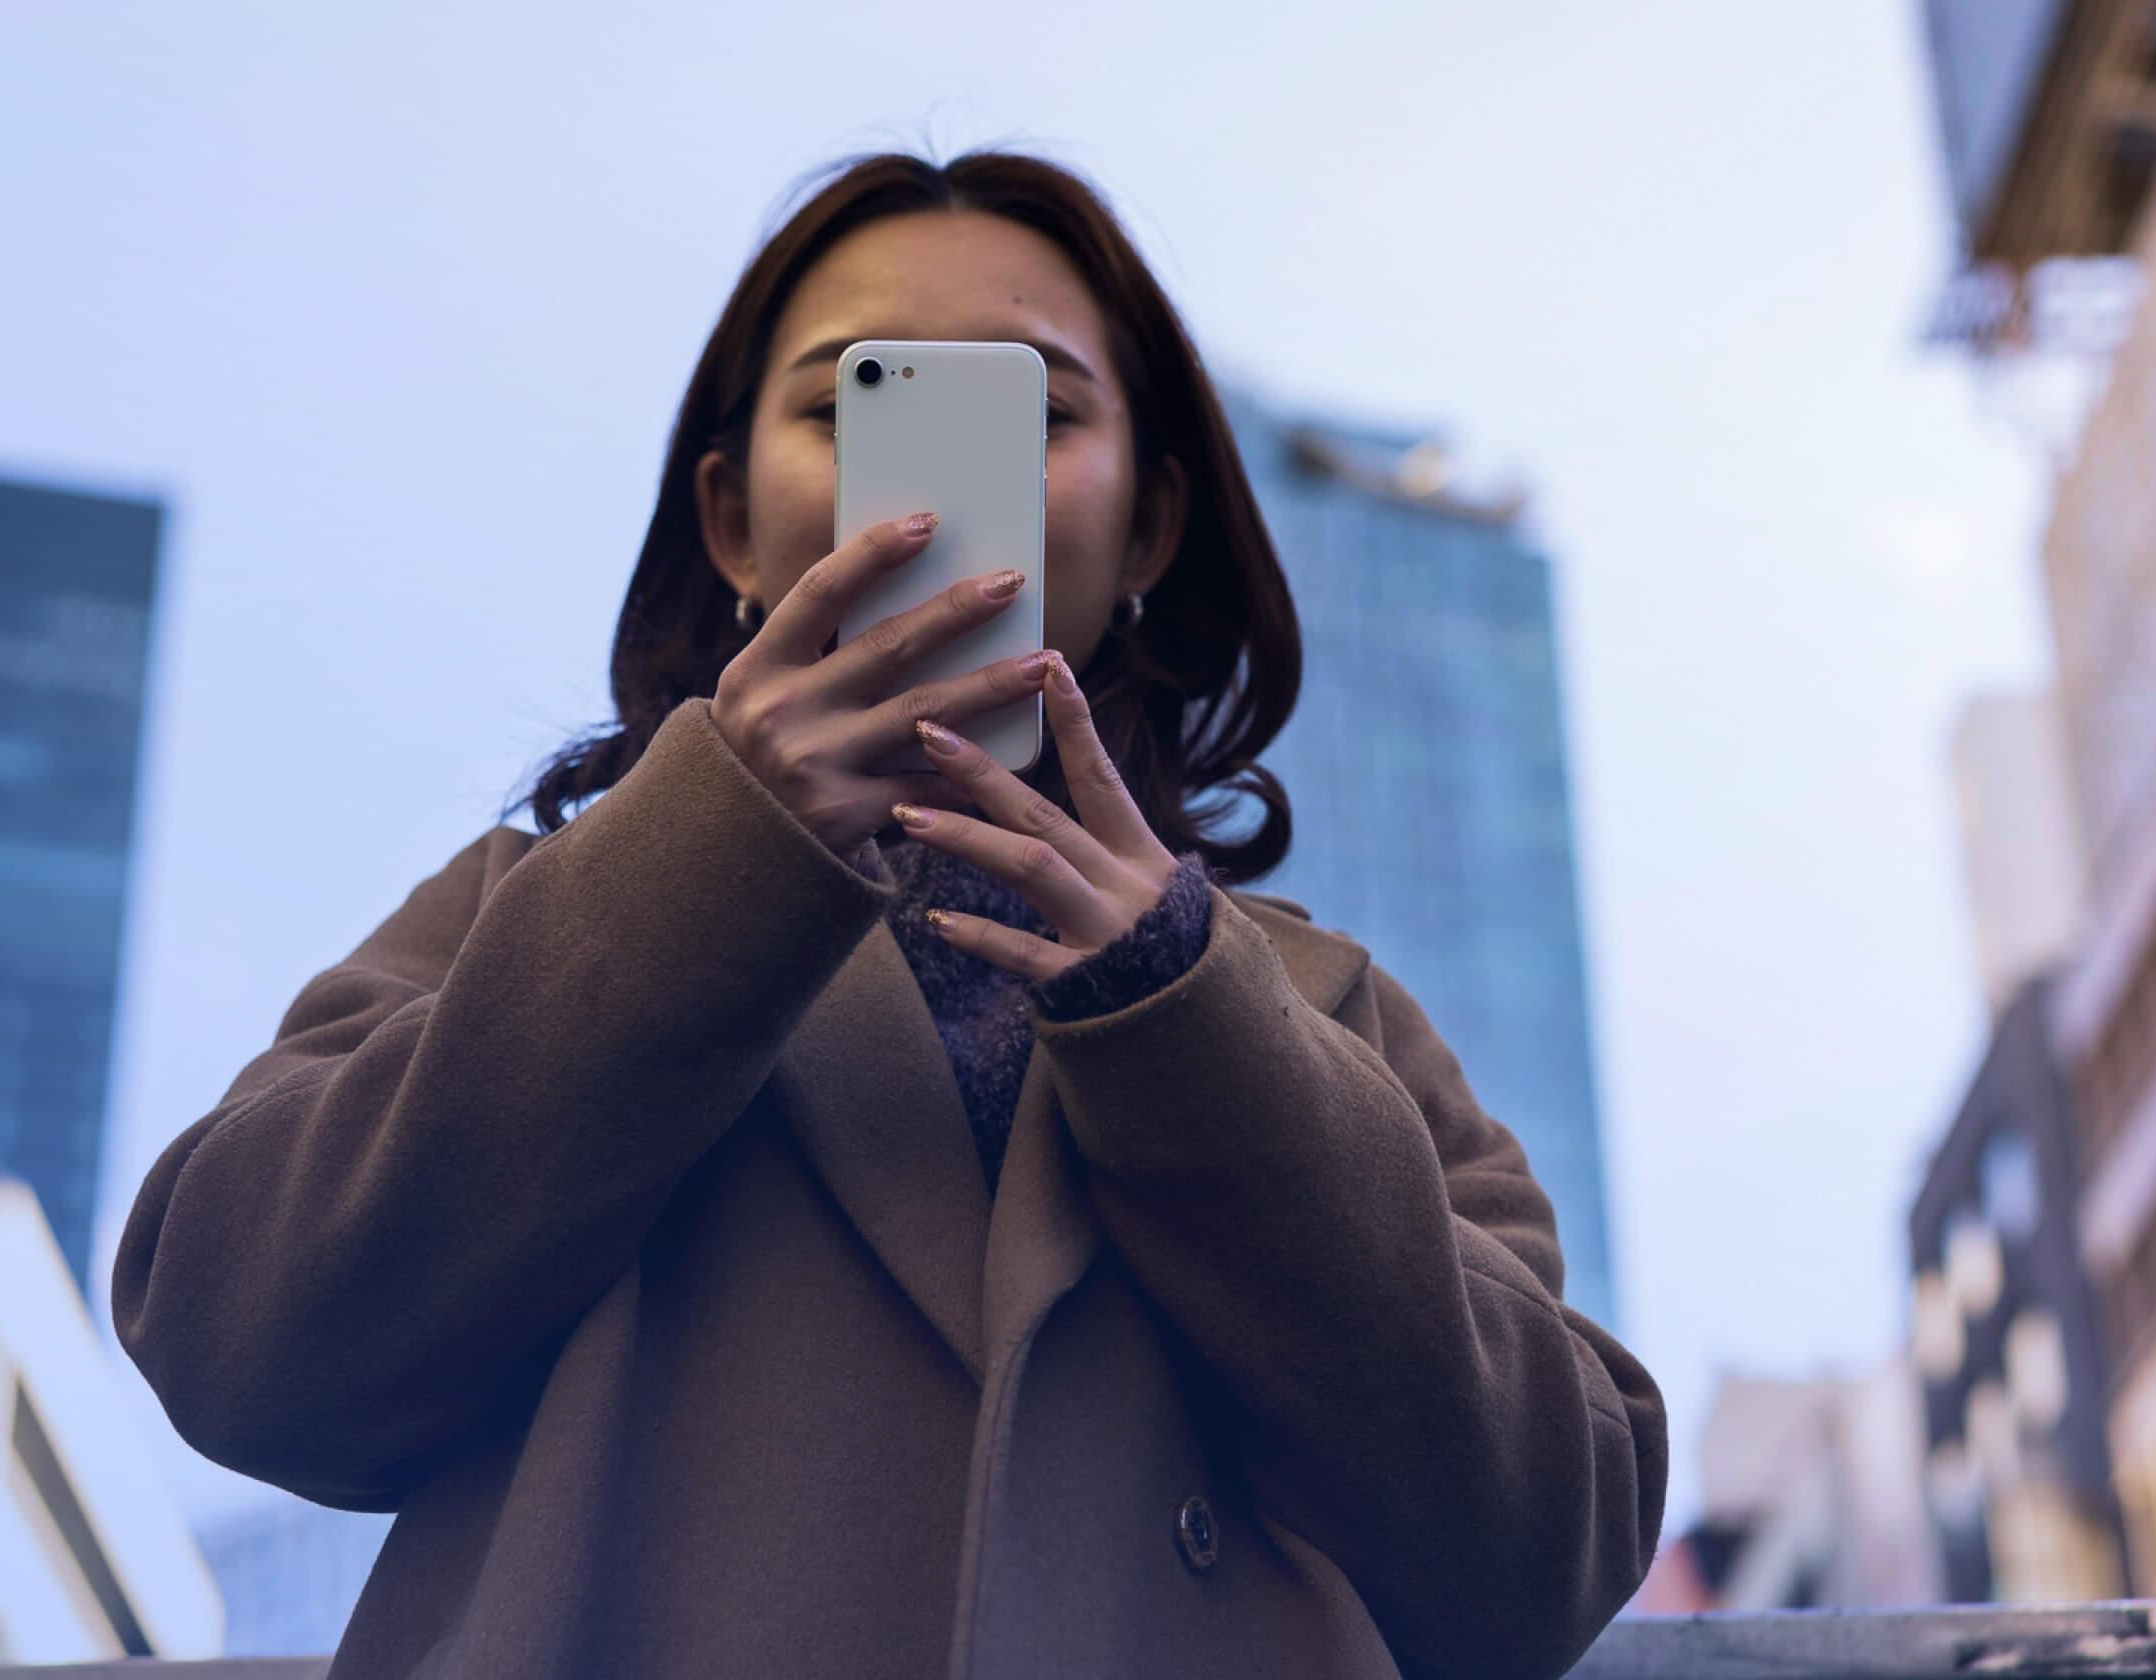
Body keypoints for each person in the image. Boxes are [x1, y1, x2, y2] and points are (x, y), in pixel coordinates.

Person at [114, 150, 1666, 1680]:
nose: (927, 484)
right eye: (856, 399)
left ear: (1150, 528)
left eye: (1035, 412)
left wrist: (1186, 1019)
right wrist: (710, 861)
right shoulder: (528, 909)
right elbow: (237, 1341)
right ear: (729, 523)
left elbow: (1548, 1553)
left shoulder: (1319, 1010)